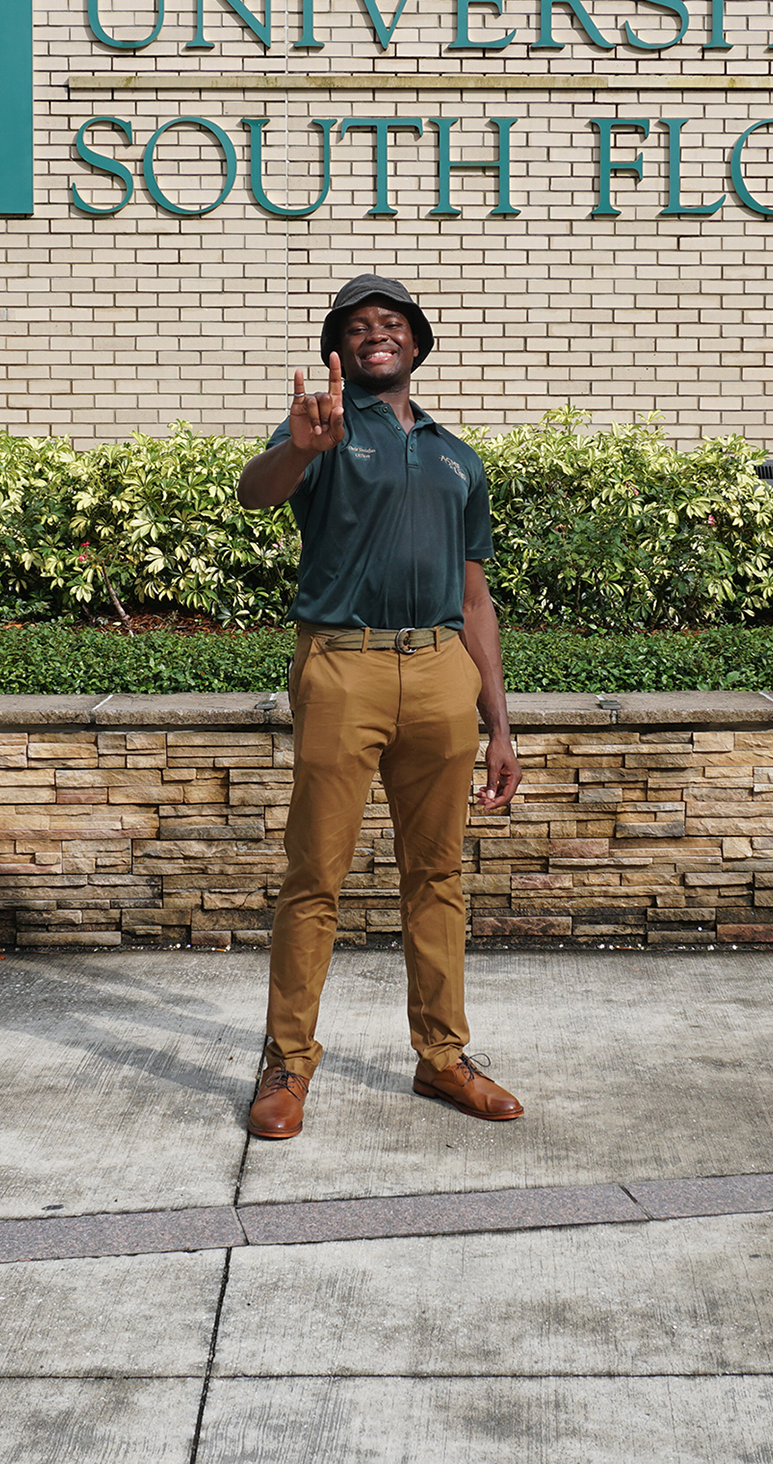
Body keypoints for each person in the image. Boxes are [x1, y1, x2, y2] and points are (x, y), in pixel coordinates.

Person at [235, 273, 524, 1141]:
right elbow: (257, 493)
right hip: (342, 664)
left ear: (416, 342)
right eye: (358, 325)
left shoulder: (454, 457)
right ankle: (287, 1063)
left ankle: (443, 1059)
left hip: (442, 672)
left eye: (390, 323)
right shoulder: (321, 430)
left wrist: (500, 722)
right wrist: (296, 448)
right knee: (314, 874)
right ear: (341, 347)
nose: (375, 335)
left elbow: (476, 598)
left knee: (437, 874)